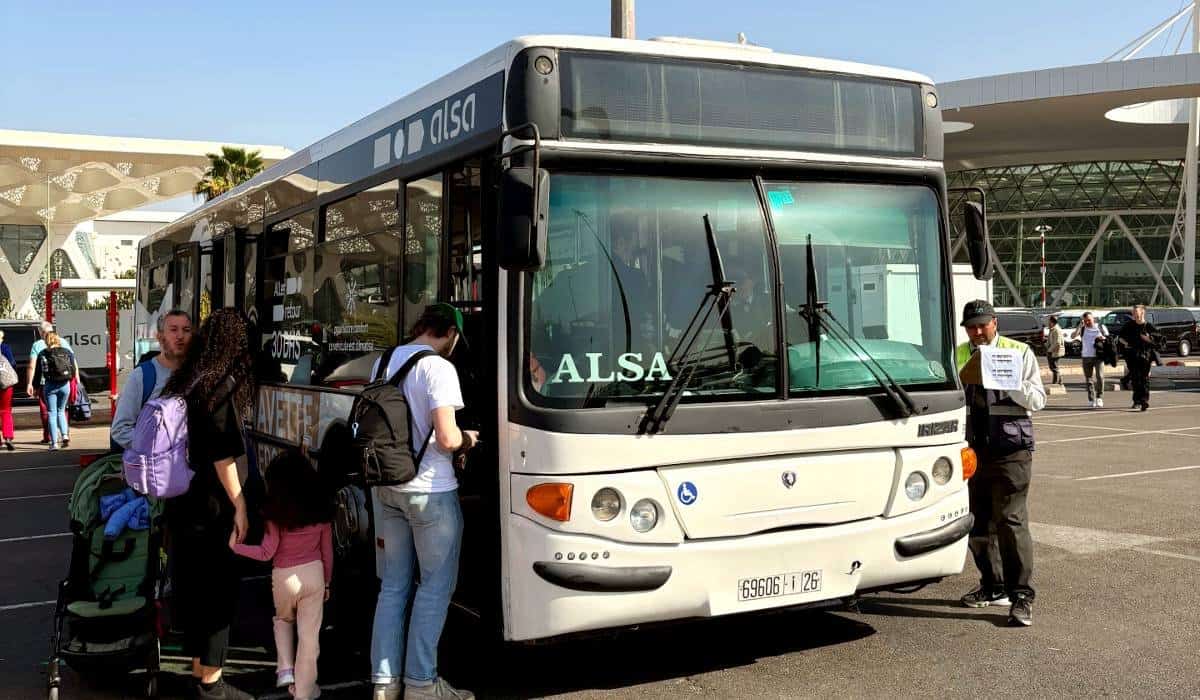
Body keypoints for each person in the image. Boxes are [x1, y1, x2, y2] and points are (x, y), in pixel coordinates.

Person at [369, 303, 479, 700]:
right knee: (434, 587)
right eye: (455, 339)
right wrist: (470, 439)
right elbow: (447, 438)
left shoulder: (384, 361)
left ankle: (384, 683)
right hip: (430, 491)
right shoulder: (438, 368)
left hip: (386, 488)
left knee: (393, 586)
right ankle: (421, 684)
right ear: (448, 332)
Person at [161, 309, 256, 700]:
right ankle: (212, 682)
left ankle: (199, 667)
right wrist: (241, 504)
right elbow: (222, 457)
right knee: (218, 591)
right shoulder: (218, 387)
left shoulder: (186, 380)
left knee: (193, 589)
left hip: (180, 500)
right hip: (210, 506)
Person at [955, 300, 1046, 627]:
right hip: (972, 451)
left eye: (983, 325)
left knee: (1011, 520)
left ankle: (1021, 595)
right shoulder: (959, 353)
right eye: (971, 326)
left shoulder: (1019, 352)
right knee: (977, 522)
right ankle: (992, 585)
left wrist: (1009, 382)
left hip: (1011, 451)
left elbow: (1038, 400)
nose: (978, 332)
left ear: (995, 323)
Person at [229, 450, 333, 700]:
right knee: (309, 639)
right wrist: (327, 583)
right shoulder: (322, 512)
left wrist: (236, 547)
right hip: (314, 576)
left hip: (284, 577)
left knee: (283, 621)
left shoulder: (275, 515)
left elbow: (266, 553)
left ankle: (285, 669)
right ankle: (305, 692)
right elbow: (327, 554)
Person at [111, 310, 193, 450]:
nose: (180, 336)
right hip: (158, 469)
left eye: (186, 330)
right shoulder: (141, 376)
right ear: (160, 337)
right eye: (173, 330)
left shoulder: (199, 374)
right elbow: (120, 430)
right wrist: (159, 446)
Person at [26, 321, 73, 444]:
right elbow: (73, 365)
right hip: (65, 383)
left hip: (48, 384)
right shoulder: (64, 345)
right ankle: (65, 435)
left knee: (50, 412)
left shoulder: (39, 348)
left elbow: (34, 367)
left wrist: (32, 385)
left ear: (42, 333)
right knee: (62, 411)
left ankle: (53, 441)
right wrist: (74, 380)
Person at [1117, 304, 1158, 411]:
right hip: (1132, 356)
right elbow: (1120, 337)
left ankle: (1144, 401)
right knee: (1135, 379)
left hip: (1145, 356)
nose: (1134, 314)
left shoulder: (1149, 326)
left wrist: (1149, 339)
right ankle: (1136, 401)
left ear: (1142, 312)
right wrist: (1125, 343)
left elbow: (1158, 341)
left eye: (1136, 312)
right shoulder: (1128, 325)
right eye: (1133, 312)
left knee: (1144, 379)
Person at [1072, 312, 1108, 408]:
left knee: (1100, 376)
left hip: (1098, 357)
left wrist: (1102, 339)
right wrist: (1080, 326)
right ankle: (1091, 399)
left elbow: (1108, 339)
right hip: (1086, 356)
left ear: (1093, 319)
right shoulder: (1083, 329)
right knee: (1089, 379)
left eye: (1089, 320)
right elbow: (1073, 336)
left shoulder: (1100, 328)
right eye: (1085, 320)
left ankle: (1099, 397)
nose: (1087, 322)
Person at [0, 330, 15, 450]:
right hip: (6, 384)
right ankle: (8, 437)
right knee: (6, 411)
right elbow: (12, 364)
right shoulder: (5, 348)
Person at [1045, 316, 1065, 385]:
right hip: (1052, 350)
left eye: (1049, 321)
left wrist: (1049, 350)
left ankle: (1056, 382)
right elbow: (1050, 340)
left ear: (1052, 322)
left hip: (1055, 351)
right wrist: (1046, 345)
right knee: (1053, 366)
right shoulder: (1052, 329)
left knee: (1054, 367)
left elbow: (1057, 342)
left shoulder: (1057, 330)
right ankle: (1059, 381)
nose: (1048, 323)